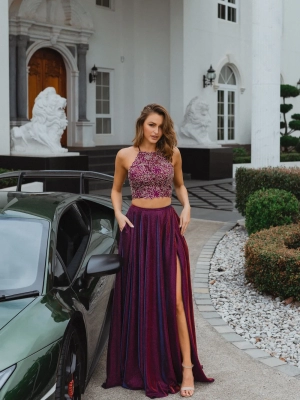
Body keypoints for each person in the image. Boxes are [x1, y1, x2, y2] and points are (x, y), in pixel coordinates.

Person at [103, 104, 214, 398]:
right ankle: (145, 363)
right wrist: (118, 214)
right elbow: (115, 189)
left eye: (161, 127)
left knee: (176, 300)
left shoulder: (172, 153)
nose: (156, 131)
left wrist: (187, 206)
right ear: (142, 124)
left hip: (167, 228)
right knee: (143, 297)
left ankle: (187, 367)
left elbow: (179, 186)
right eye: (152, 125)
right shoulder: (124, 155)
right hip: (138, 229)